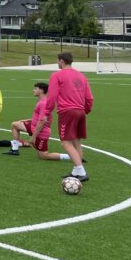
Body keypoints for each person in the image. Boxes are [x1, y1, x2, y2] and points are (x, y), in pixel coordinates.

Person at [44, 52, 94, 181]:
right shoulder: (82, 76)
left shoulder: (56, 75)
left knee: (65, 142)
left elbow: (51, 96)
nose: (57, 63)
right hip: (80, 111)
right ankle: (77, 170)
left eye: (57, 60)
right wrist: (85, 110)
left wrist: (46, 112)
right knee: (76, 140)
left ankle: (81, 172)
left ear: (61, 61)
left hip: (67, 112)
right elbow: (89, 97)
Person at [5, 82, 71, 161]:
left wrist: (33, 137)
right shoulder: (42, 101)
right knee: (15, 125)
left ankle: (72, 156)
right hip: (33, 126)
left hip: (41, 132)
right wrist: (25, 120)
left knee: (44, 156)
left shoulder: (43, 103)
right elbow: (42, 118)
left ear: (41, 91)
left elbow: (42, 121)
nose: (33, 90)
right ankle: (14, 150)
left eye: (35, 89)